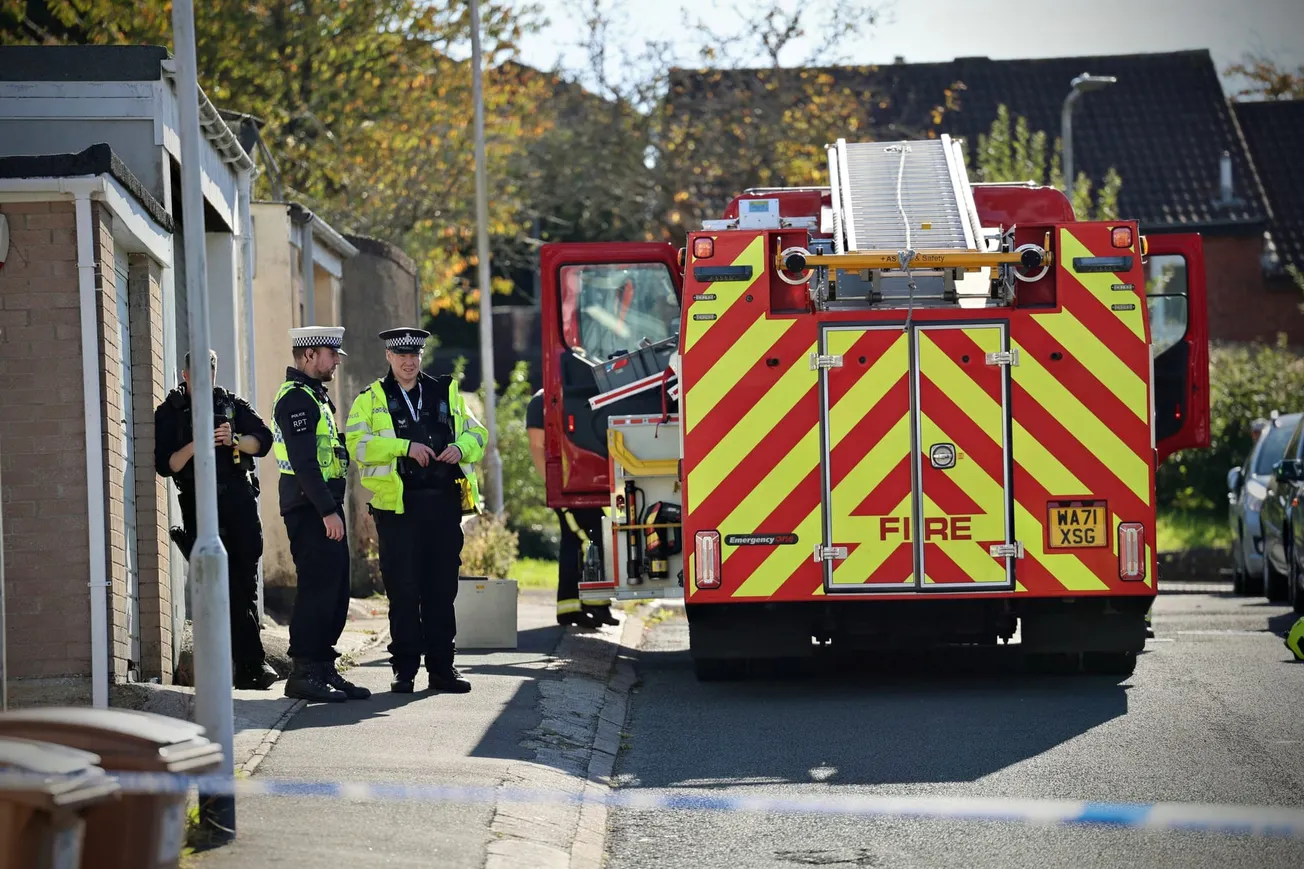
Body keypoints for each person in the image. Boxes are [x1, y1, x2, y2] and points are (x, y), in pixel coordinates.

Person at [345, 327, 486, 693]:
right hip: (398, 509)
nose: (409, 362)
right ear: (389, 358)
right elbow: (356, 444)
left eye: (415, 356)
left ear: (421, 357)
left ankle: (442, 669)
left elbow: (478, 434)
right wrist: (403, 447)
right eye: (401, 356)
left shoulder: (444, 392)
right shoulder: (371, 399)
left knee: (441, 590)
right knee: (403, 591)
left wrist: (462, 448)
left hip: (442, 504)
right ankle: (404, 670)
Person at [154, 349, 278, 690]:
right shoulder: (169, 413)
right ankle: (253, 664)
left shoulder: (232, 405)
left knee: (244, 582)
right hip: (199, 501)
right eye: (197, 372)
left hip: (238, 498)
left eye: (210, 371)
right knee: (225, 585)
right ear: (185, 374)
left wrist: (234, 439)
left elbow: (264, 440)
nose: (205, 378)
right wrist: (198, 444)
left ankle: (245, 670)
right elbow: (166, 465)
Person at [272, 326, 370, 703]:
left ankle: (323, 665)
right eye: (332, 354)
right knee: (316, 589)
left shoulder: (315, 396)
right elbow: (304, 463)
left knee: (336, 589)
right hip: (310, 508)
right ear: (309, 355)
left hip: (323, 506)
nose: (337, 362)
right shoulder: (296, 399)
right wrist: (328, 511)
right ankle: (303, 672)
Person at [525, 388, 619, 629]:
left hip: (582, 484)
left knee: (590, 538)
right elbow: (537, 445)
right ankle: (581, 609)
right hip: (565, 489)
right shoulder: (541, 402)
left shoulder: (575, 397)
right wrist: (552, 485)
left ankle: (586, 607)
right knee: (583, 540)